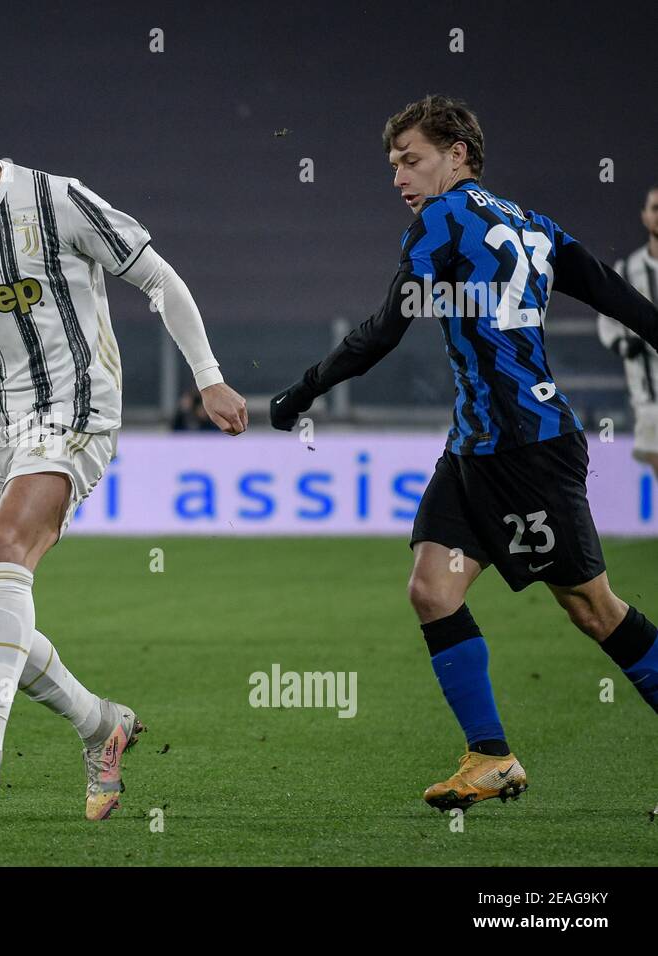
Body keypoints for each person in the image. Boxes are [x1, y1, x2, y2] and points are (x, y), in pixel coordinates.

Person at [0, 71, 247, 819]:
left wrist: (211, 377)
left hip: (73, 411)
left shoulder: (56, 200)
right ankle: (102, 724)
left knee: (6, 553)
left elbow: (158, 278)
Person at [269, 96, 658, 813]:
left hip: (528, 450)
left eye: (410, 160)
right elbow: (615, 296)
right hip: (477, 449)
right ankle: (491, 757)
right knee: (431, 589)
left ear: (458, 154)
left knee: (594, 609)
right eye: (392, 164)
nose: (399, 177)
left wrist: (300, 392)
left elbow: (384, 331)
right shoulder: (534, 225)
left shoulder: (442, 223)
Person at [597, 185, 658, 478]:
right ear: (645, 217)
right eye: (655, 209)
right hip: (648, 395)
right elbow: (607, 321)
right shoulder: (628, 269)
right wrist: (623, 345)